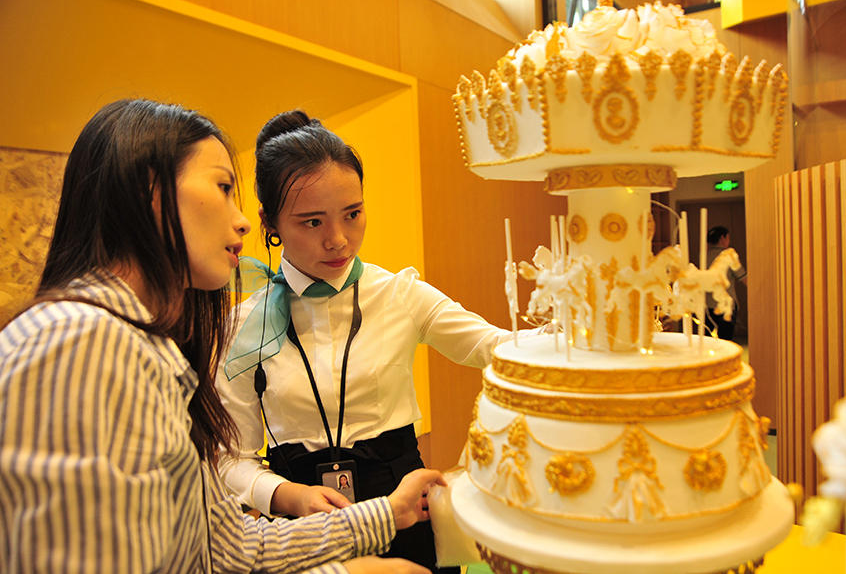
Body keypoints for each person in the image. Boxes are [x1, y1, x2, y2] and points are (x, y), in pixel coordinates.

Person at [0, 98, 444, 574]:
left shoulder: (145, 348)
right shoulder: (80, 341)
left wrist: (386, 514)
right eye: (223, 187)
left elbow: (225, 548)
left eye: (351, 213)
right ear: (151, 193)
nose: (244, 221)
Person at [216, 110, 532, 573]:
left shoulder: (400, 294)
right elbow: (230, 459)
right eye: (312, 222)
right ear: (270, 222)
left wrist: (585, 324)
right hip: (303, 527)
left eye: (352, 214)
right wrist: (286, 494)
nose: (338, 240)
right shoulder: (243, 325)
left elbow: (500, 347)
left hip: (406, 508)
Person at [705, 225, 747, 341]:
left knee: (708, 340)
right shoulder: (728, 256)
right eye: (728, 238)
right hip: (726, 305)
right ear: (722, 238)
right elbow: (743, 277)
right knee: (725, 340)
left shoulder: (704, 256)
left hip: (707, 305)